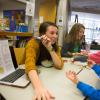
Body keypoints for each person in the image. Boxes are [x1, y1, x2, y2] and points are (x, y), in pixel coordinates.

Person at [25, 21, 63, 100]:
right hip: (31, 77)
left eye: (56, 33)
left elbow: (59, 65)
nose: (55, 36)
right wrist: (39, 88)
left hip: (47, 76)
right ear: (42, 34)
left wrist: (49, 48)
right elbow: (30, 66)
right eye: (52, 33)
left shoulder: (55, 46)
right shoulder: (33, 43)